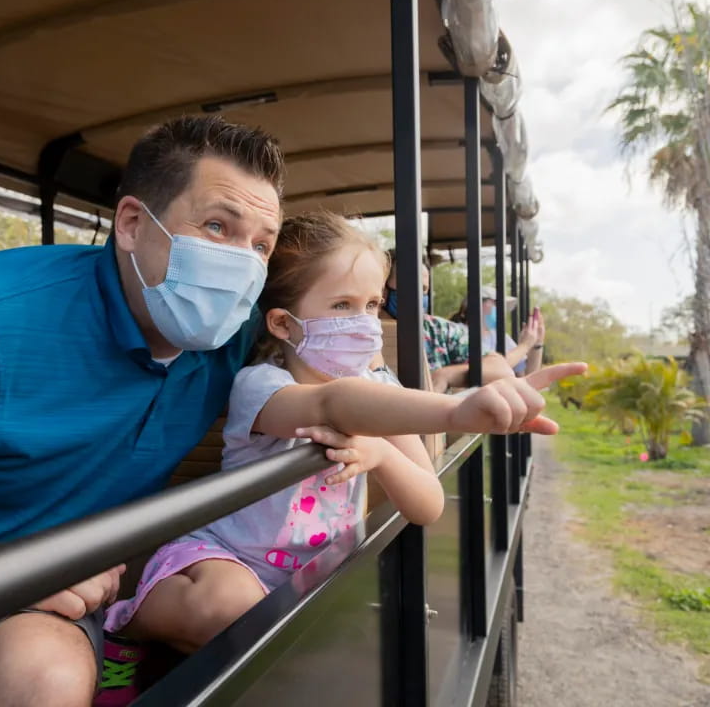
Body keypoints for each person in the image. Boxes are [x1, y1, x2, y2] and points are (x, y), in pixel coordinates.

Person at [0, 115, 286, 707]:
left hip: (77, 589)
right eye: (216, 227)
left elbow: (338, 369)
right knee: (43, 674)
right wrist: (13, 570)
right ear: (131, 224)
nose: (243, 266)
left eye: (261, 245)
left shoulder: (234, 344)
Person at [104, 211, 585, 666]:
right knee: (228, 604)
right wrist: (456, 411)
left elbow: (428, 504)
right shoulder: (262, 386)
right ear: (282, 323)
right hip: (230, 559)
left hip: (314, 572)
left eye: (372, 305)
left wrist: (380, 453)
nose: (365, 323)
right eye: (342, 306)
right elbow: (333, 403)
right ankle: (125, 634)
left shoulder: (382, 391)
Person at [382, 251, 515, 392]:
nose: (419, 296)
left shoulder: (438, 330)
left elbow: (501, 369)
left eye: (424, 289)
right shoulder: (363, 332)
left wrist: (447, 375)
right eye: (409, 285)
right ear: (383, 288)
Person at [450, 286, 545, 375]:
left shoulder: (498, 336)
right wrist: (525, 345)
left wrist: (537, 344)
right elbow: (489, 369)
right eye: (495, 303)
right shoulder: (458, 332)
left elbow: (526, 375)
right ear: (477, 303)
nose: (500, 310)